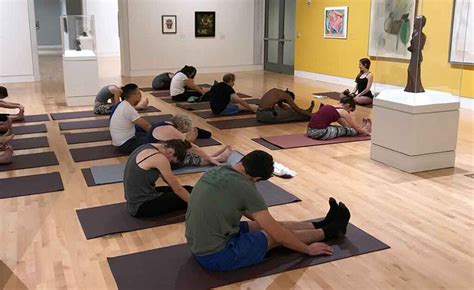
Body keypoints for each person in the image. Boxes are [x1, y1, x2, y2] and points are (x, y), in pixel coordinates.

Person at [185, 150, 351, 272]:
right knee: (272, 234)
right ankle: (332, 230)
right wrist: (308, 249)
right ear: (256, 178)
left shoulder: (216, 171)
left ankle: (320, 224)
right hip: (216, 256)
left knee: (267, 225)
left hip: (199, 244)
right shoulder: (245, 186)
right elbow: (277, 234)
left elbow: (258, 218)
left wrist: (268, 223)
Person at [124, 139, 194, 217]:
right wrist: (196, 206)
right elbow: (177, 190)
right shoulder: (160, 158)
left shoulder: (148, 146)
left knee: (189, 189)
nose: (170, 163)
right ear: (170, 152)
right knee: (186, 197)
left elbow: (167, 180)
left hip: (135, 200)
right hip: (141, 206)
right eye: (172, 161)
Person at [145, 113, 232, 167]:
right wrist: (209, 158)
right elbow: (192, 147)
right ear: (180, 127)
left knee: (186, 152)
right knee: (187, 156)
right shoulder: (170, 130)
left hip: (149, 155)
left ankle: (214, 157)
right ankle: (218, 158)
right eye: (183, 132)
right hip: (153, 160)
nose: (182, 134)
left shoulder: (164, 123)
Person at [110, 83, 152, 154]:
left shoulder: (123, 104)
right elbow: (147, 126)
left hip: (120, 142)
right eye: (139, 93)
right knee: (154, 140)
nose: (140, 95)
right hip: (125, 145)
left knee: (142, 131)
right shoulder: (128, 108)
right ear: (133, 95)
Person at [307, 94, 371, 140]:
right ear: (347, 105)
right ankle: (364, 129)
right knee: (344, 130)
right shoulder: (342, 111)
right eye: (350, 110)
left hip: (309, 131)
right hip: (319, 133)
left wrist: (350, 129)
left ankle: (361, 130)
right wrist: (365, 132)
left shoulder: (332, 106)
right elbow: (354, 126)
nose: (349, 112)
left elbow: (343, 124)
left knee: (341, 128)